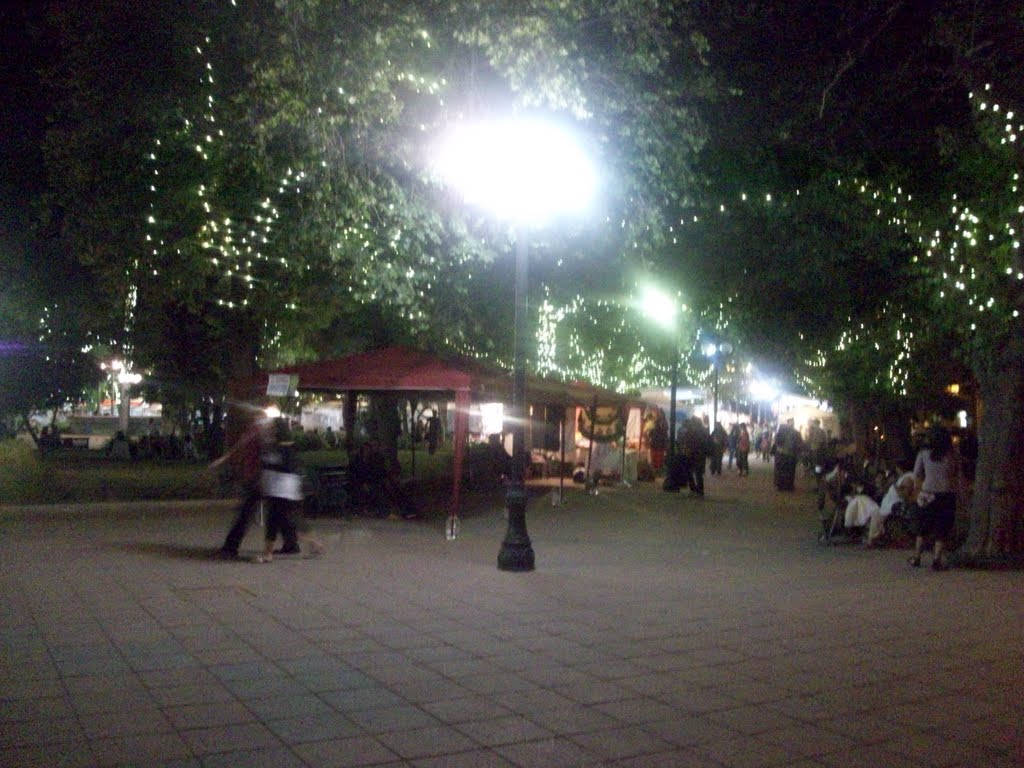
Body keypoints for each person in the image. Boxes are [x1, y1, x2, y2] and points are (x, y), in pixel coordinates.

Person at [213, 415, 298, 559]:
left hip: (264, 479)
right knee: (277, 512)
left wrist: (226, 460)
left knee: (249, 511)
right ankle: (290, 543)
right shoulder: (262, 429)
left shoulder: (259, 430)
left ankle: (232, 546)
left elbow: (245, 447)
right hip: (266, 478)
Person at [256, 419, 324, 563]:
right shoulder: (280, 446)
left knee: (274, 521)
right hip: (284, 489)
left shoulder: (283, 448)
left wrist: (270, 464)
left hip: (281, 490)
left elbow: (285, 466)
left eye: (272, 428)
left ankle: (268, 554)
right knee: (291, 520)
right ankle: (314, 544)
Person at [909, 426, 960, 571]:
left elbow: (916, 475)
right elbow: (957, 475)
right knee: (942, 527)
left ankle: (917, 557)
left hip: (928, 492)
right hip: (946, 493)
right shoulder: (952, 455)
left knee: (923, 526)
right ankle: (937, 559)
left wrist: (918, 491)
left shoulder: (924, 454)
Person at [772, 419, 802, 491]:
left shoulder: (781, 431)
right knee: (790, 471)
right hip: (791, 454)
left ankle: (780, 485)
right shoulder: (796, 433)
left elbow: (776, 441)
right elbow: (800, 444)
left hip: (781, 453)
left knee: (780, 470)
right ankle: (789, 486)